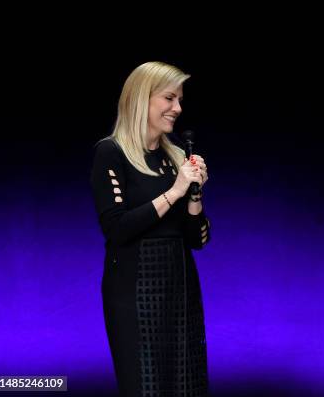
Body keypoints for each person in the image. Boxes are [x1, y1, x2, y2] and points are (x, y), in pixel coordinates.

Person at [90, 61, 211, 396]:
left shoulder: (174, 157)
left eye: (180, 99)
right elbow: (117, 229)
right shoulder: (111, 153)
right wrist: (174, 191)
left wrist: (194, 194)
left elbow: (197, 239)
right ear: (142, 98)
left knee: (186, 384)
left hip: (179, 286)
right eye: (169, 98)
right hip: (134, 290)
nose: (178, 108)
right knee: (146, 386)